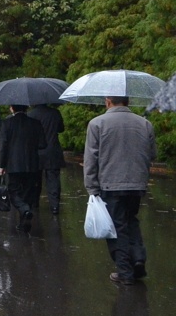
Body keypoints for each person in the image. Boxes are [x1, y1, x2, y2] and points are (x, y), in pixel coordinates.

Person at [83, 96, 156, 286]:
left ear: (108, 101)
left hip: (110, 184)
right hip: (137, 184)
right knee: (131, 220)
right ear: (128, 101)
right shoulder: (145, 124)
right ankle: (138, 258)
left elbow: (91, 158)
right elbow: (152, 154)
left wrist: (91, 187)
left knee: (116, 228)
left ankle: (124, 272)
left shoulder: (97, 124)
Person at [0, 104, 46, 232]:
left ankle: (24, 212)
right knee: (28, 192)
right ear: (26, 108)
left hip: (13, 163)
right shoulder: (35, 123)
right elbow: (42, 144)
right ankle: (24, 221)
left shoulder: (7, 123)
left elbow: (3, 146)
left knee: (13, 191)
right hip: (32, 163)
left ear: (12, 108)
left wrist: (2, 165)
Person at [28, 103, 65, 214]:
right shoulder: (55, 113)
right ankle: (54, 206)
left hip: (36, 150)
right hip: (52, 149)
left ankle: (34, 203)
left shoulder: (30, 115)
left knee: (35, 178)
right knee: (53, 178)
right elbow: (61, 129)